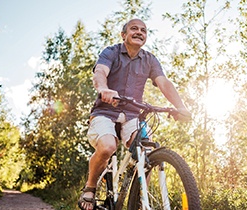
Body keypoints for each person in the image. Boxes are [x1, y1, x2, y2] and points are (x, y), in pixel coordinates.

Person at [78, 18, 190, 210]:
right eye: (134, 29)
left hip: (132, 115)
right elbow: (100, 73)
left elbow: (163, 82)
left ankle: (139, 199)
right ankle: (90, 187)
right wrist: (104, 89)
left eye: (143, 30)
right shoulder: (111, 52)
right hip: (105, 111)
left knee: (147, 152)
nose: (139, 32)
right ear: (124, 35)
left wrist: (180, 106)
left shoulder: (149, 59)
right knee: (107, 147)